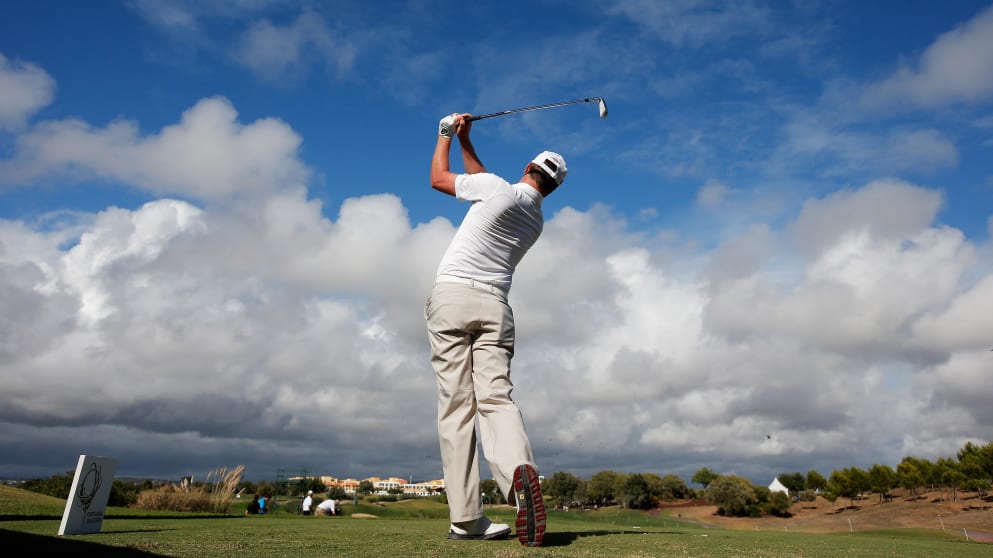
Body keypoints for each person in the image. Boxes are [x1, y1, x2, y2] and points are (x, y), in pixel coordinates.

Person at [425, 112, 558, 547]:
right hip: (497, 307)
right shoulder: (535, 221)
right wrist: (468, 141)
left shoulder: (496, 190)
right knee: (496, 400)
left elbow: (439, 179)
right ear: (552, 188)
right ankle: (521, 477)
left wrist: (446, 134)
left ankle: (466, 519)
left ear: (527, 167)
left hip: (452, 298)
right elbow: (483, 180)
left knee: (456, 406)